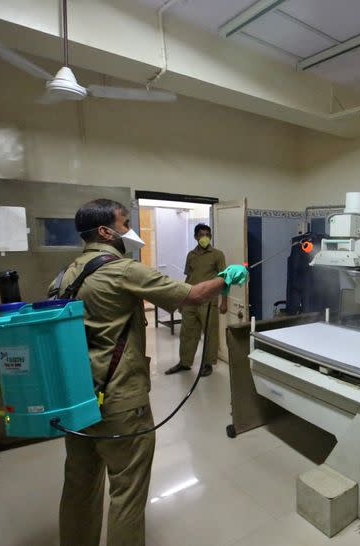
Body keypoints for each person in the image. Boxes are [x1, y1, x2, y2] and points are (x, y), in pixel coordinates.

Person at [52, 199, 247, 546]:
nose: (130, 230)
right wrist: (227, 278)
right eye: (125, 223)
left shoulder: (66, 273)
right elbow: (192, 293)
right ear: (104, 231)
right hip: (121, 400)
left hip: (80, 397)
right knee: (127, 491)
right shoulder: (123, 268)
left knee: (80, 486)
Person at [165, 223, 227, 377]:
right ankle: (184, 362)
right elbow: (188, 277)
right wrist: (182, 299)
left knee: (210, 334)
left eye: (207, 234)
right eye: (201, 234)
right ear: (195, 237)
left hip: (209, 300)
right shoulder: (191, 255)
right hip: (191, 300)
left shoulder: (217, 255)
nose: (204, 237)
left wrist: (224, 301)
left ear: (211, 237)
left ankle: (208, 363)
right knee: (187, 333)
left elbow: (225, 279)